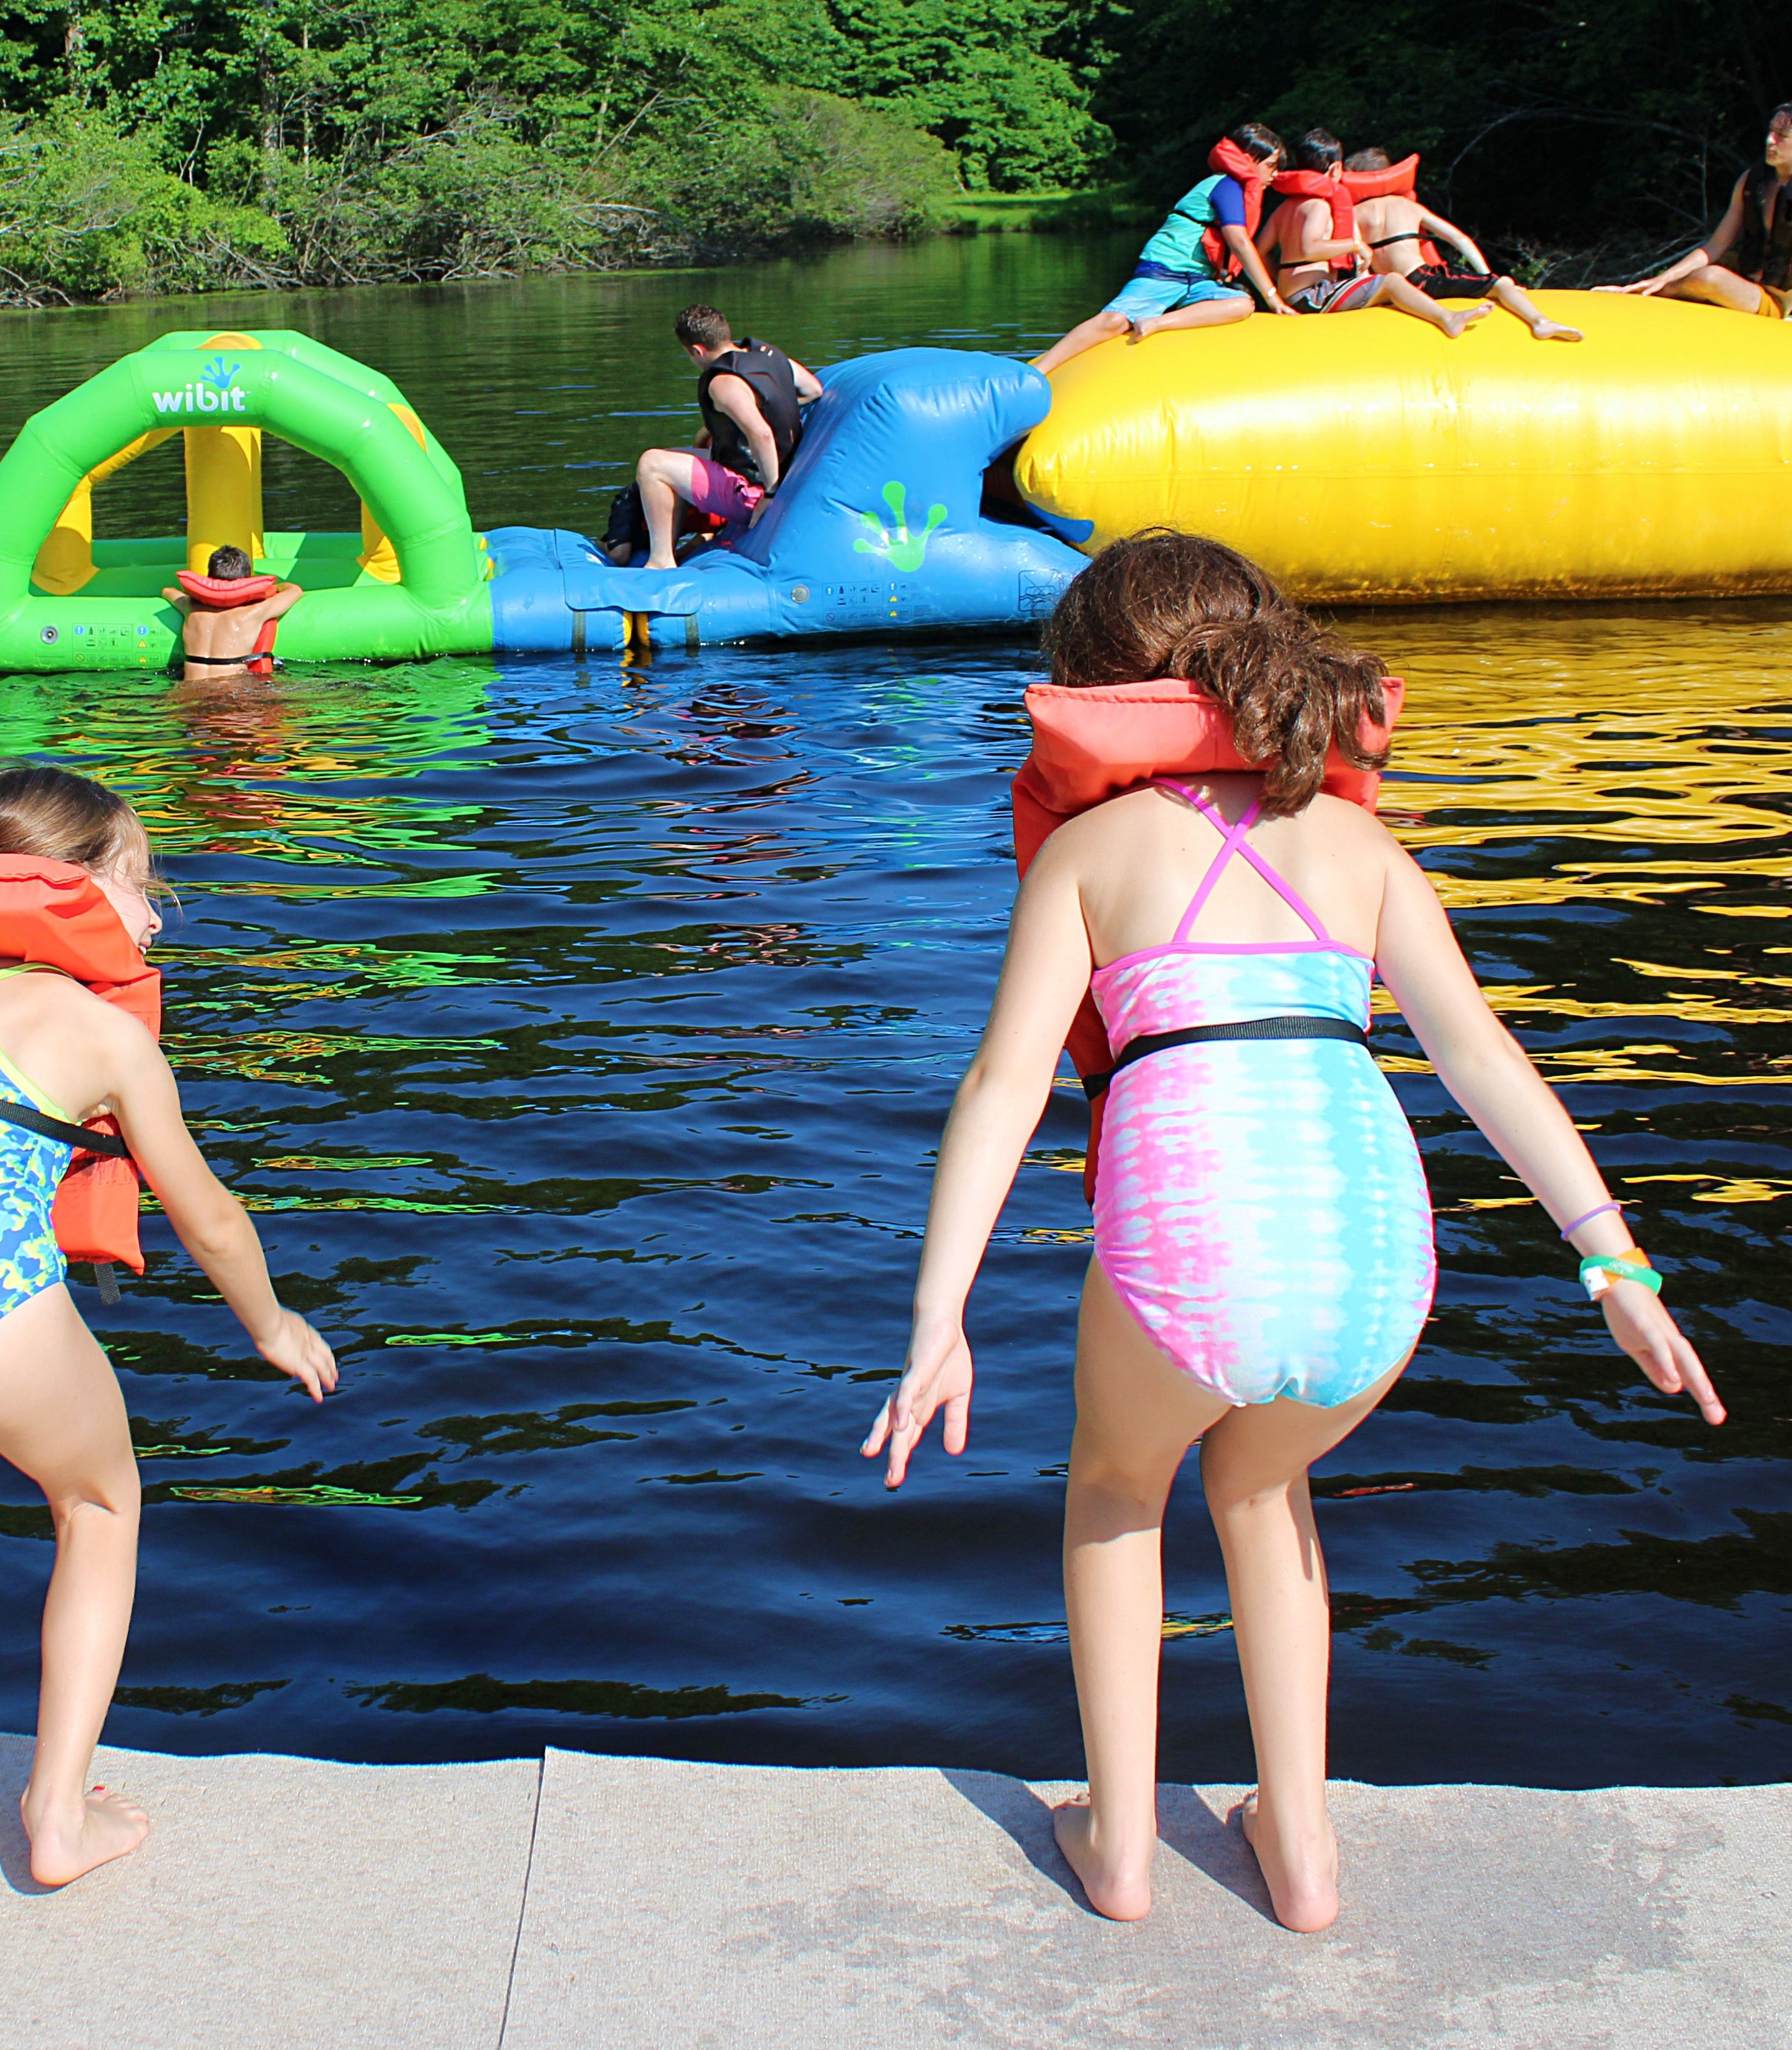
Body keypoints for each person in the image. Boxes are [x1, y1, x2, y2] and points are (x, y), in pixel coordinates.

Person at [860, 532, 1720, 1933]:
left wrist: (937, 1321)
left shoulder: (1088, 847)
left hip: (1195, 1222)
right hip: (1372, 1242)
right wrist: (1609, 1258)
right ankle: (1302, 1851)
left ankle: (1122, 1847)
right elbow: (1483, 1058)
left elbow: (1004, 1085)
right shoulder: (1358, 841)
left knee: (1118, 1488)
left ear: (1099, 687)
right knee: (1263, 1487)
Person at [0, 763, 339, 1885]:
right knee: (97, 1501)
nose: (153, 909)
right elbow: (209, 1215)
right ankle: (56, 1811)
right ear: (68, 887)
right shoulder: (94, 1028)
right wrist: (271, 1322)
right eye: (139, 882)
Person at [1033, 125, 1293, 375]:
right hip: (1166, 269)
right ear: (1249, 160)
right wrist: (1273, 297)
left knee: (1240, 304)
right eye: (1271, 166)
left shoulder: (1236, 188)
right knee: (1114, 321)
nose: (1275, 175)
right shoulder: (1226, 185)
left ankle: (1155, 323)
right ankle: (1038, 370)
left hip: (1199, 280)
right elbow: (1239, 242)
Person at [1602, 100, 1792, 332]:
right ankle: (1643, 292)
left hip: (1772, 298)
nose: (1770, 142)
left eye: (1782, 137)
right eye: (1771, 132)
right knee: (1702, 270)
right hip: (1740, 275)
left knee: (1710, 278)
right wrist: (1662, 279)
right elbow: (1715, 245)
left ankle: (1638, 297)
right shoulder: (1752, 179)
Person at [611, 306, 824, 572]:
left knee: (651, 464)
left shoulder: (722, 382)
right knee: (675, 457)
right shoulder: (771, 355)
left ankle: (661, 560)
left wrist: (771, 494)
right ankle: (670, 545)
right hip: (784, 472)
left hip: (754, 492)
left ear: (697, 351)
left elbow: (762, 434)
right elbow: (813, 391)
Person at [1256, 128, 1488, 339]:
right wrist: (1355, 245)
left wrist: (1279, 283)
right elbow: (1310, 247)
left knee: (1376, 287)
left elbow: (1261, 252)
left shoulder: (1284, 208)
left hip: (1299, 295)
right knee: (1392, 282)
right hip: (1313, 298)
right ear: (1336, 169)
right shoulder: (1318, 205)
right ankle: (1448, 318)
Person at [1346, 148, 1582, 342]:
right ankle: (1541, 322)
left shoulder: (1354, 213)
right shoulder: (1407, 206)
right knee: (1503, 285)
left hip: (1390, 289)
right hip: (1423, 279)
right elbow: (1459, 239)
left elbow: (1359, 258)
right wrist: (1488, 275)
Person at [172, 544, 302, 681]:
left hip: (189, 692)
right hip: (233, 692)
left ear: (210, 578)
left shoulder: (190, 608)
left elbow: (167, 591)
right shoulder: (255, 612)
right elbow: (295, 590)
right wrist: (272, 589)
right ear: (245, 581)